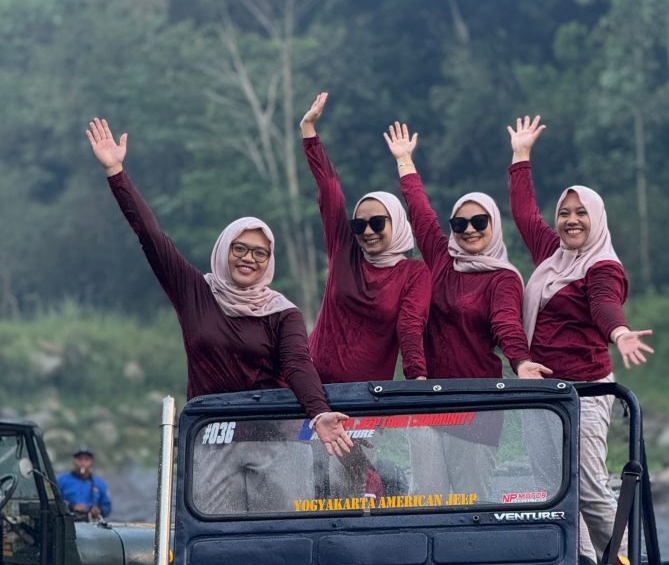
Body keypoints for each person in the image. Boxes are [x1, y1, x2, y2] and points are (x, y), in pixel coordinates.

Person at [86, 118, 353, 502]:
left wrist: (318, 412)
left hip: (272, 437)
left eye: (259, 252)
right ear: (224, 250)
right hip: (211, 436)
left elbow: (297, 364)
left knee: (281, 541)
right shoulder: (196, 292)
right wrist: (116, 172)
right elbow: (150, 236)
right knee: (215, 544)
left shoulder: (281, 311)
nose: (248, 258)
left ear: (269, 261)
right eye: (240, 248)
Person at [507, 114, 653, 565]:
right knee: (552, 487)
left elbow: (604, 305)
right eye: (565, 213)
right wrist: (521, 155)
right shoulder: (554, 255)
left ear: (597, 219)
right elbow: (524, 212)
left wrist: (620, 332)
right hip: (541, 393)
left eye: (580, 213)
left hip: (585, 392)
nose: (571, 221)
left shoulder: (602, 267)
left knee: (589, 487)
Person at [383, 121, 551, 500]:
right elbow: (421, 212)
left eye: (479, 222)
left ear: (494, 225)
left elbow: (506, 323)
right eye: (461, 223)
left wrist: (521, 361)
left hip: (476, 408)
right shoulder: (443, 259)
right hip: (428, 400)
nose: (470, 230)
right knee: (426, 499)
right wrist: (405, 161)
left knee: (469, 502)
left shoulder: (503, 278)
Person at [300, 93, 431, 385]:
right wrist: (309, 133)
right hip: (310, 385)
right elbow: (330, 191)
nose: (368, 231)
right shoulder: (345, 251)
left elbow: (410, 325)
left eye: (377, 223)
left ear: (395, 224)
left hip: (365, 398)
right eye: (360, 225)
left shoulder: (413, 273)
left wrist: (417, 377)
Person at [57, 447, 112, 520]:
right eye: (79, 459)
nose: (82, 463)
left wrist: (99, 511)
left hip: (92, 524)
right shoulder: (61, 480)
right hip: (68, 523)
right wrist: (72, 507)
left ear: (92, 462)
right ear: (74, 461)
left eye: (86, 459)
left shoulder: (100, 483)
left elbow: (107, 506)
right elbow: (55, 502)